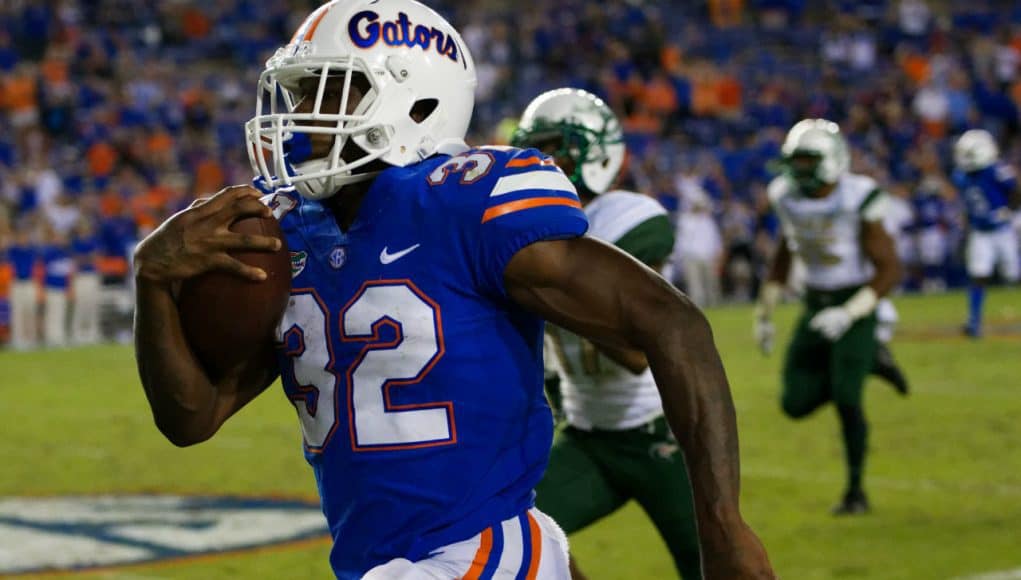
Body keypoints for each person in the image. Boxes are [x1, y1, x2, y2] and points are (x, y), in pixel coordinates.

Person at [132, 1, 774, 578]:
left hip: (479, 550)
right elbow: (192, 417)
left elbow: (671, 323)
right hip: (389, 562)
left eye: (328, 93)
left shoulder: (465, 201)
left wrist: (723, 528)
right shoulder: (287, 232)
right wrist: (153, 284)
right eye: (299, 96)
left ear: (414, 103)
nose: (302, 118)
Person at [511, 88, 701, 580]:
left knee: (710, 564)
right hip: (590, 436)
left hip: (662, 436)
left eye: (555, 147)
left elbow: (635, 350)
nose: (543, 161)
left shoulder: (631, 216)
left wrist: (536, 291)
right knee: (518, 533)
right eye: (535, 149)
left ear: (597, 153)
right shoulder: (533, 224)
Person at [754, 119, 902, 515]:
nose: (799, 170)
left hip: (854, 303)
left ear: (833, 161)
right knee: (794, 403)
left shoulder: (860, 196)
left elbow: (889, 268)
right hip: (815, 302)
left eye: (808, 161)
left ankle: (856, 492)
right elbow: (784, 253)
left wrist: (850, 313)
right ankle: (871, 361)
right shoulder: (785, 194)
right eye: (796, 161)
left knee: (847, 399)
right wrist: (765, 312)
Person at [951, 129, 1020, 338]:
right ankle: (974, 323)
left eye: (968, 153)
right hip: (980, 232)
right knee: (978, 276)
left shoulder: (996, 170)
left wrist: (1008, 211)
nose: (964, 158)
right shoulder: (962, 176)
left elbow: (1016, 192)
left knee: (1014, 276)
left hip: (1003, 230)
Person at [6, 220, 38, 350]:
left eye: (25, 235)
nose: (23, 238)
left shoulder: (32, 250)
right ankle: (17, 339)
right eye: (20, 235)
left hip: (29, 282)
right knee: (17, 311)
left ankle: (30, 339)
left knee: (29, 310)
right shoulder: (12, 250)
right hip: (17, 283)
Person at [70, 216, 102, 344]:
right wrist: (86, 258)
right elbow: (76, 259)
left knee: (92, 304)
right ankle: (77, 333)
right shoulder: (75, 242)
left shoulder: (93, 240)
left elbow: (95, 257)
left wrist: (85, 258)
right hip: (80, 276)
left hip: (91, 275)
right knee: (80, 305)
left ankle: (93, 332)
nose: (83, 229)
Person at [41, 221, 72, 348]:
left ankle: (59, 337)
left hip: (62, 288)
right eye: (58, 237)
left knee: (61, 313)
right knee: (52, 313)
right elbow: (44, 270)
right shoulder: (48, 252)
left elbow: (67, 271)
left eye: (63, 238)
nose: (61, 240)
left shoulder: (66, 252)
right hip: (51, 287)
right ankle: (50, 338)